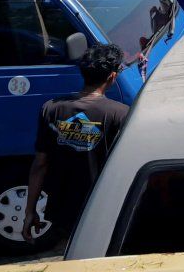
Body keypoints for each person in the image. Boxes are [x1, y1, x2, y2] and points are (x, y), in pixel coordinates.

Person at [22, 44, 128, 243]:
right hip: (102, 211)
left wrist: (29, 210)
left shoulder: (51, 109)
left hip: (63, 212)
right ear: (112, 77)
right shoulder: (120, 114)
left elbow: (40, 165)